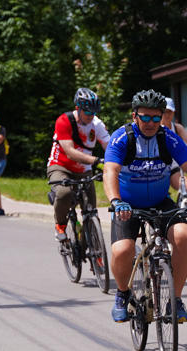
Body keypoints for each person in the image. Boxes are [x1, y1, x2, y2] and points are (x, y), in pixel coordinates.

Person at [103, 89, 187, 323]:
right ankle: (122, 294)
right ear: (134, 116)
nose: (150, 123)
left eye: (156, 117)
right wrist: (116, 201)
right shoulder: (122, 138)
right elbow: (110, 170)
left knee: (184, 234)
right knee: (122, 251)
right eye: (145, 117)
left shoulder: (167, 138)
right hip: (127, 204)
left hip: (160, 202)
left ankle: (175, 299)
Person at [47, 88, 111, 240]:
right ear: (78, 109)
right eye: (88, 112)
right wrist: (96, 161)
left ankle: (97, 258)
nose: (91, 116)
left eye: (94, 112)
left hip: (84, 170)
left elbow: (110, 148)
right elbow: (69, 151)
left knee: (91, 211)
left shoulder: (97, 124)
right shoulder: (64, 121)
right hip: (60, 165)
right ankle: (60, 225)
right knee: (64, 193)